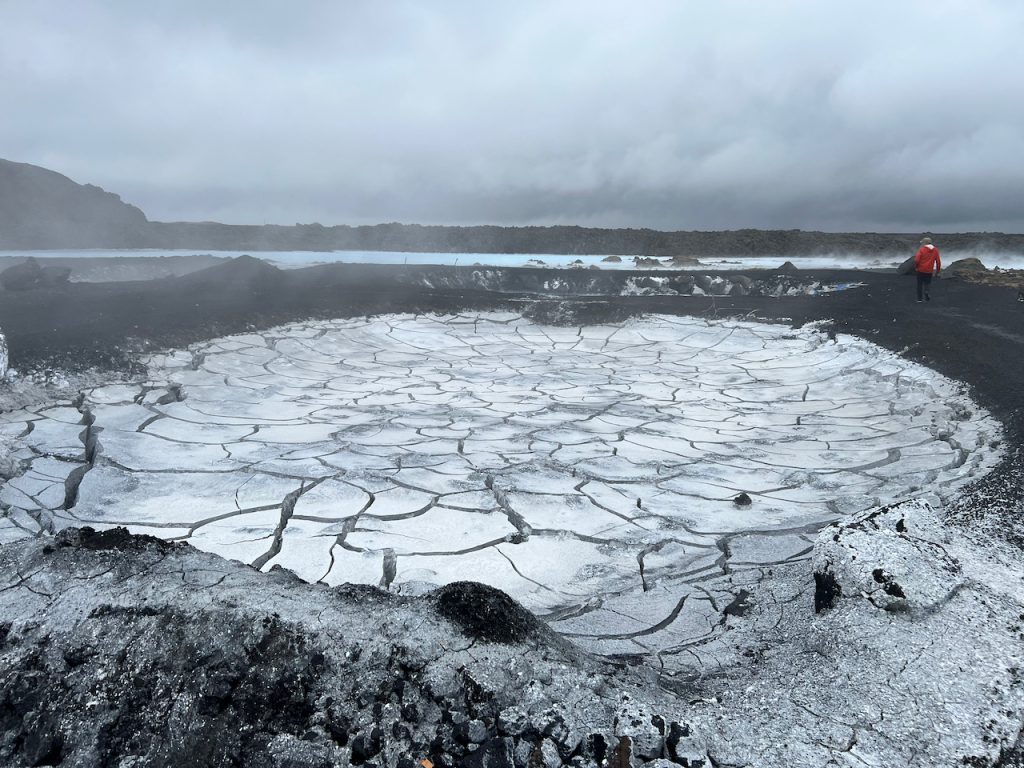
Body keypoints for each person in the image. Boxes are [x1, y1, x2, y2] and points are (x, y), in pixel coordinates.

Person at [913, 237, 941, 302]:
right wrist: (937, 271)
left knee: (919, 284)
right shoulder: (935, 250)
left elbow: (917, 260)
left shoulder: (922, 249)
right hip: (929, 271)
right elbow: (938, 261)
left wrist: (916, 267)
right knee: (927, 283)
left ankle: (919, 299)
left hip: (920, 270)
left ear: (924, 243)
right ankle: (926, 292)